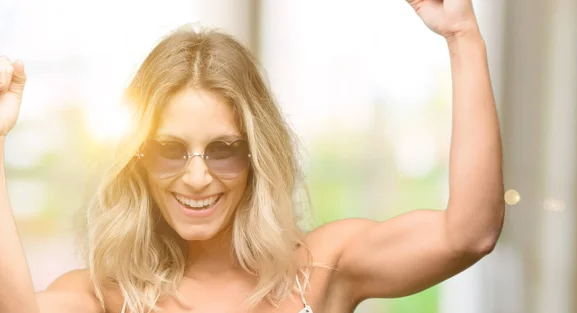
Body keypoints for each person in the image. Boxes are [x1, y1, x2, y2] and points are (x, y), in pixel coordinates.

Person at [0, 0, 505, 312]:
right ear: (139, 160)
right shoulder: (106, 298)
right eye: (171, 151)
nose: (197, 177)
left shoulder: (325, 270)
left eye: (223, 150)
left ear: (255, 154)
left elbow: (470, 235)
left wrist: (463, 37)